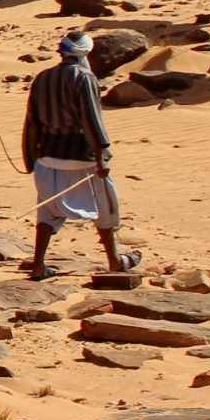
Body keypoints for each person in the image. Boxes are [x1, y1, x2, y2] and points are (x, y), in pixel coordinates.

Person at [20, 31, 139, 279]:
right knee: (104, 205)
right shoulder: (84, 78)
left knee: (47, 210)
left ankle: (39, 264)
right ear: (85, 53)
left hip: (48, 155)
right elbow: (91, 119)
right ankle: (114, 260)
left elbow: (31, 121)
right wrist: (101, 155)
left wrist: (30, 158)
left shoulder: (42, 77)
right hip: (81, 156)